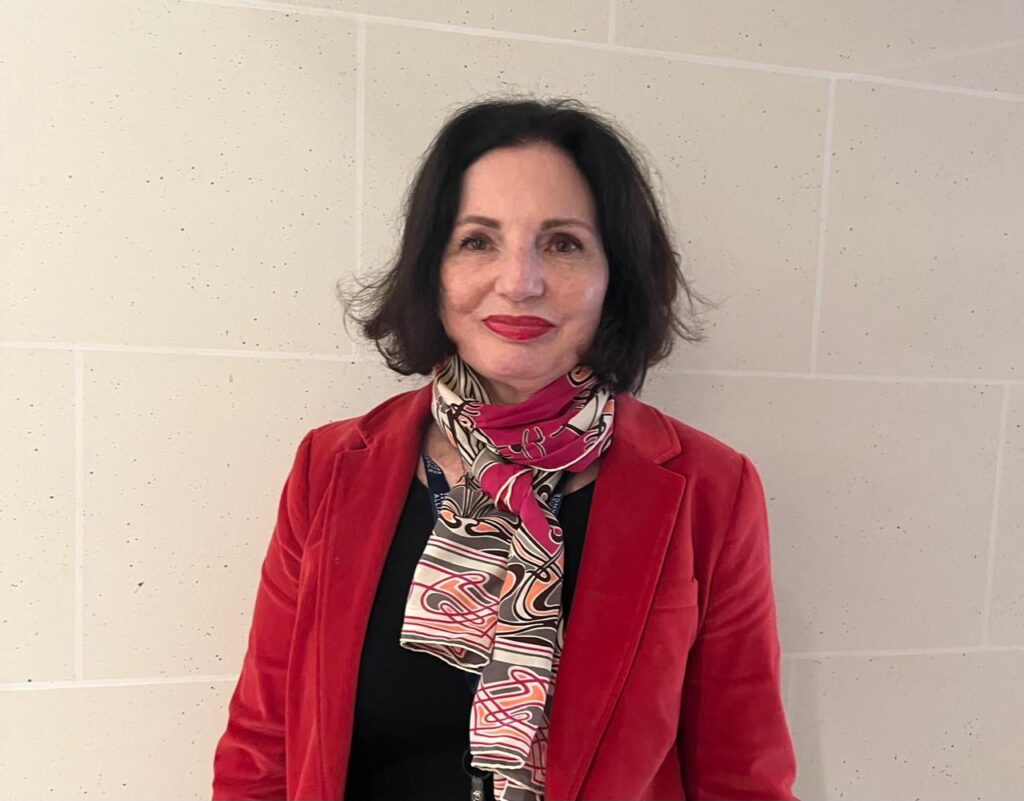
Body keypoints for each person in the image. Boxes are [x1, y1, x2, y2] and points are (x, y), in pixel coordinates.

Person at [211, 96, 798, 801]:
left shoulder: (710, 488)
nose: (520, 282)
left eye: (564, 243)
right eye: (478, 241)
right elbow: (263, 749)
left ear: (616, 275)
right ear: (433, 268)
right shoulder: (331, 468)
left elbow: (741, 776)